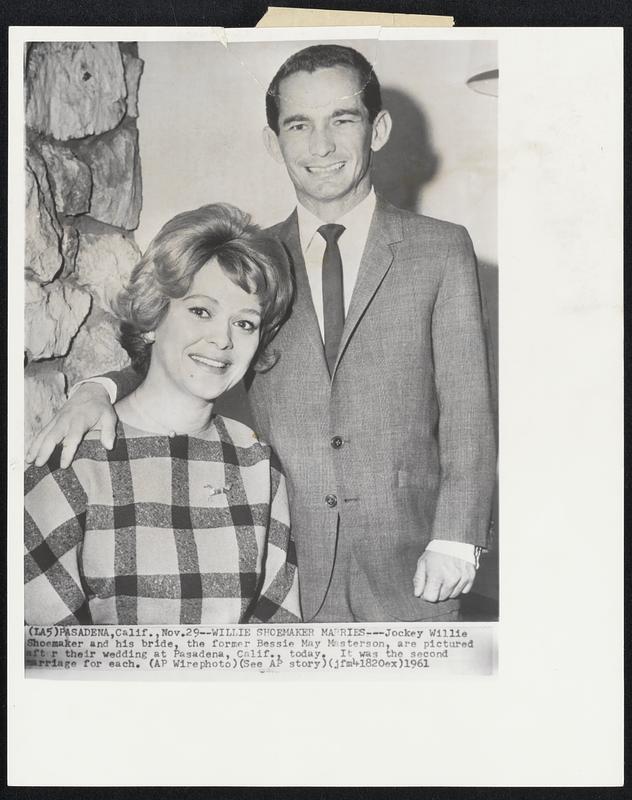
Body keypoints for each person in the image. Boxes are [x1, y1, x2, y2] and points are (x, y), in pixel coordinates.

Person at [27, 45, 496, 623]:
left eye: (342, 120)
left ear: (378, 129)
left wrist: (458, 537)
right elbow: (186, 350)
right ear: (274, 143)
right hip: (283, 571)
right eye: (299, 124)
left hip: (415, 573)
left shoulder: (441, 248)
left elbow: (468, 407)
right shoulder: (253, 263)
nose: (320, 146)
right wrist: (96, 387)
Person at [24, 203, 300, 625]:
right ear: (154, 315)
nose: (222, 340)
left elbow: (279, 632)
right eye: (201, 311)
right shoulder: (73, 457)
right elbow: (43, 652)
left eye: (245, 323)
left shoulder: (257, 463)